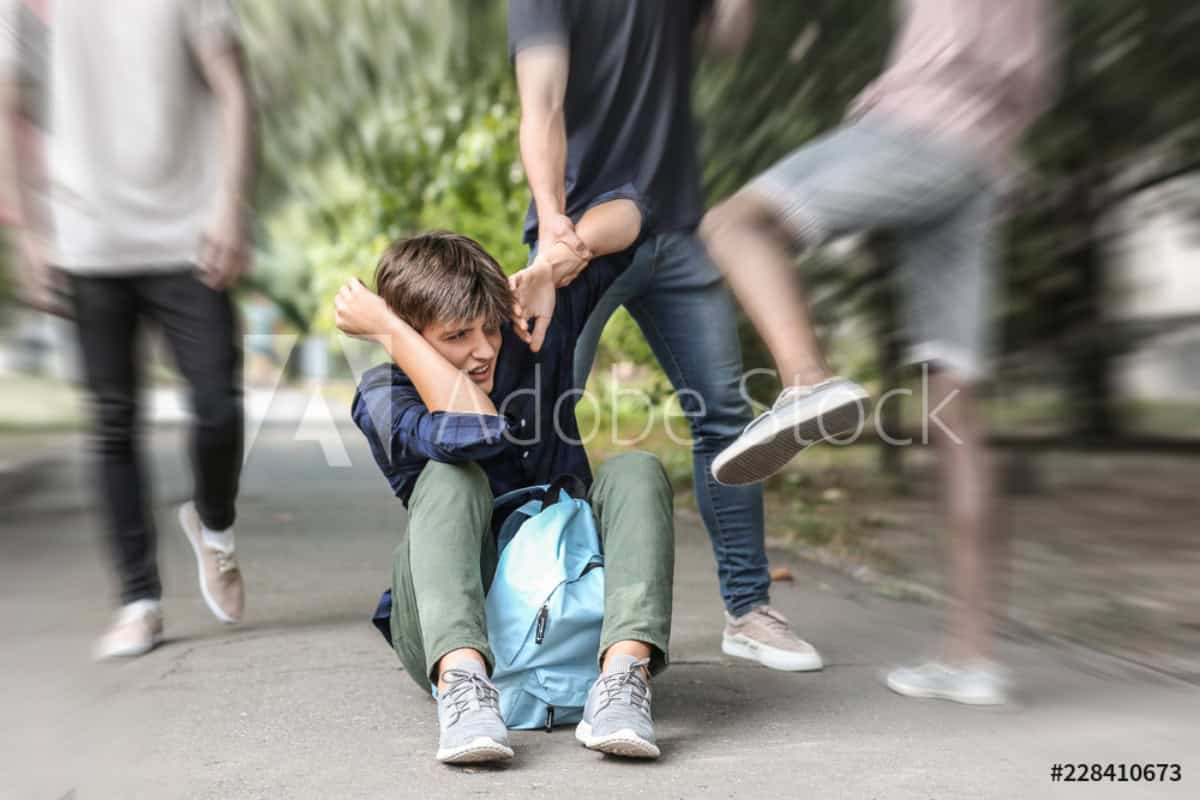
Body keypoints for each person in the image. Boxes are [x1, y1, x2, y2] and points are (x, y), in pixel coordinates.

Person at [701, 0, 1056, 704]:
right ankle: (973, 658)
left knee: (736, 224)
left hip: (916, 124)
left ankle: (808, 382)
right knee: (958, 413)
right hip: (982, 162)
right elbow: (1034, 76)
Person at [509, 0, 824, 673]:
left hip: (675, 229)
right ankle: (536, 613)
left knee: (726, 422)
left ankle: (749, 611)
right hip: (579, 235)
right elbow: (541, 102)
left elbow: (731, 39)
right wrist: (552, 221)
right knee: (543, 428)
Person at [338, 206, 675, 765]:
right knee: (450, 477)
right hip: (455, 626)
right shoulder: (381, 396)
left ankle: (622, 680)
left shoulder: (530, 332)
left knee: (636, 470)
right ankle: (465, 691)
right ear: (410, 338)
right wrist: (388, 330)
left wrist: (548, 267)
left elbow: (638, 220)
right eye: (457, 336)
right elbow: (475, 430)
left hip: (572, 596)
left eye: (489, 327)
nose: (485, 349)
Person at [0, 0, 257, 658]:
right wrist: (30, 230)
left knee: (218, 405)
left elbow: (232, 87)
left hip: (188, 230)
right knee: (113, 419)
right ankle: (137, 600)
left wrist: (231, 206)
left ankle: (214, 526)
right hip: (88, 238)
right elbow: (9, 102)